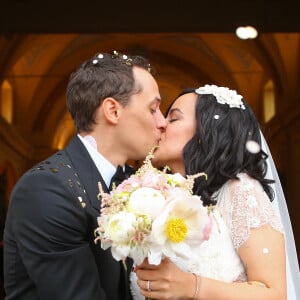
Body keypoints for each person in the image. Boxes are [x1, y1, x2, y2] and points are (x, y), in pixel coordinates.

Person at [3, 51, 167, 299]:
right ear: (112, 110)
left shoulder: (136, 181)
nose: (162, 122)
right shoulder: (46, 190)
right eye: (153, 108)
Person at [134, 85, 300, 299]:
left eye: (173, 118)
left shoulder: (240, 190)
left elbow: (275, 294)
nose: (161, 125)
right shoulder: (166, 197)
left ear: (206, 133)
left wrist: (192, 286)